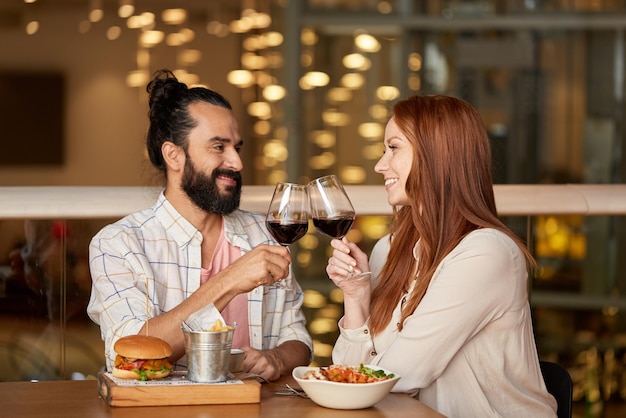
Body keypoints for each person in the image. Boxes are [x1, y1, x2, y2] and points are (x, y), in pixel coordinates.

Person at [326, 95, 558, 417]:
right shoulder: (390, 250)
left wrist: (347, 379)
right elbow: (350, 380)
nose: (380, 165)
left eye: (393, 148)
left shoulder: (485, 253)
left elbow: (400, 376)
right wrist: (356, 295)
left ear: (437, 156)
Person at [87, 69, 312, 381]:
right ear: (174, 155)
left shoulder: (265, 234)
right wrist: (230, 279)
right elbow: (131, 355)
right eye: (218, 147)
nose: (237, 162)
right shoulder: (118, 244)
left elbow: (298, 339)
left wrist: (276, 358)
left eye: (237, 147)